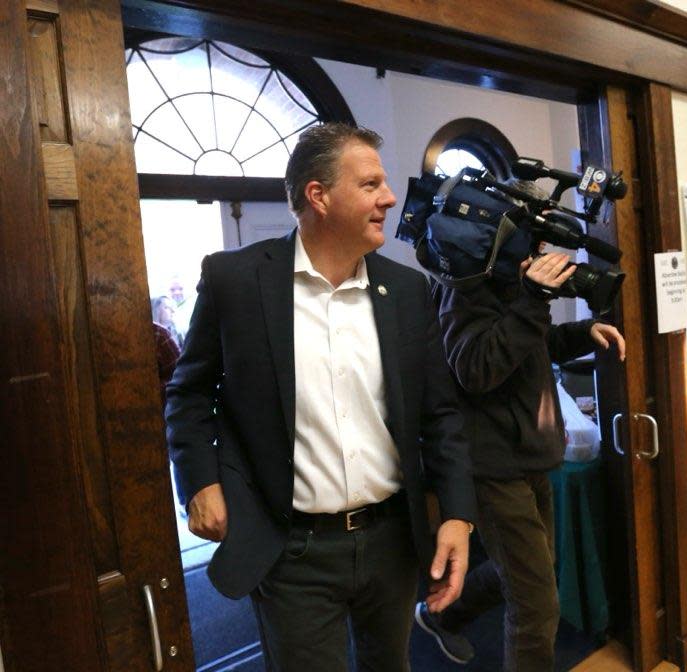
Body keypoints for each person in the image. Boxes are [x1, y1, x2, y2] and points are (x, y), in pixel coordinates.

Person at [165, 123, 477, 672]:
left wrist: (456, 514)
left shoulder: (407, 292)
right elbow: (188, 394)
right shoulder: (235, 281)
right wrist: (200, 480)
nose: (389, 197)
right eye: (370, 184)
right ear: (319, 195)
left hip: (391, 543)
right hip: (291, 551)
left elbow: (441, 414)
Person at [414, 250, 625, 671]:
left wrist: (585, 331)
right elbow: (476, 368)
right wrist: (533, 297)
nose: (543, 251)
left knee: (531, 571)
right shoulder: (465, 282)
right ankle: (438, 615)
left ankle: (440, 615)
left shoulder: (508, 278)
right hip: (492, 468)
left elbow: (531, 344)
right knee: (537, 605)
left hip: (530, 455)